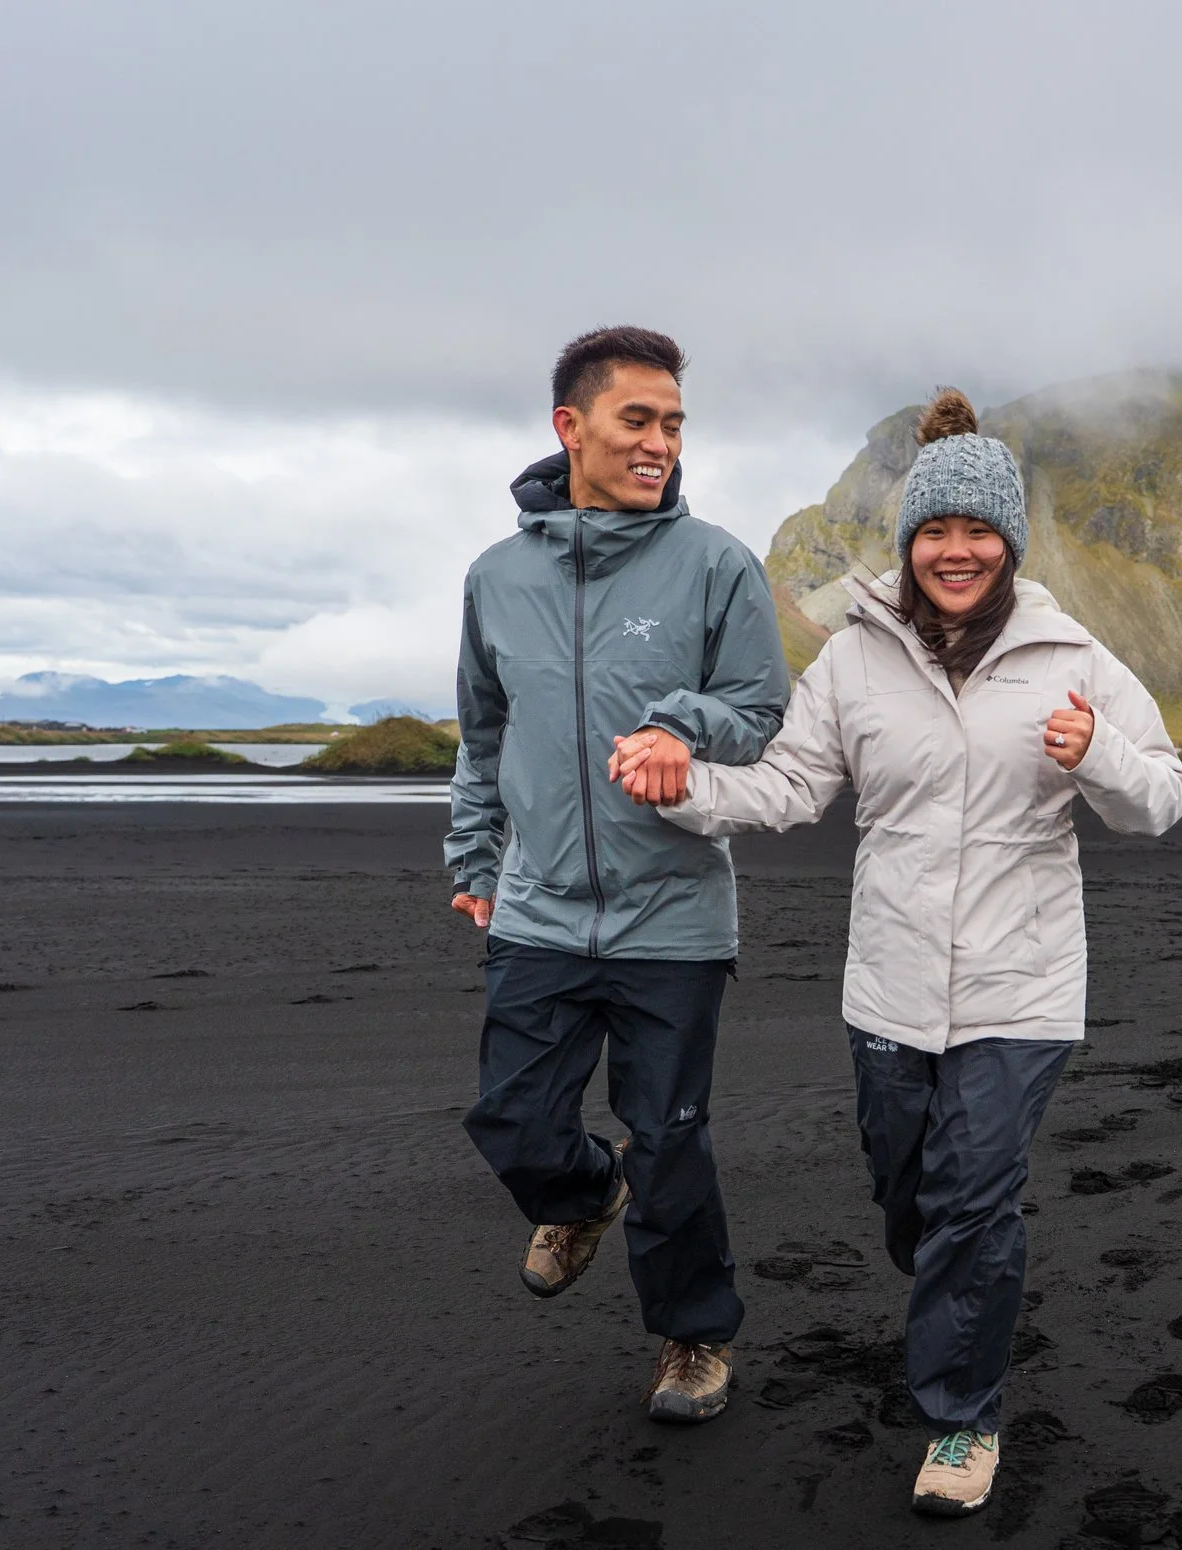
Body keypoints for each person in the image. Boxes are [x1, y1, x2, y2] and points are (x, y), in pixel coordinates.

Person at [627, 389, 1182, 1514]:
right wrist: (687, 787)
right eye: (936, 531)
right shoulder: (853, 657)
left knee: (975, 1200)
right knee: (910, 1198)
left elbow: (1161, 798)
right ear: (909, 542)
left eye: (978, 532)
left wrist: (1098, 755)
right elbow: (789, 786)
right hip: (886, 989)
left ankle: (959, 1418)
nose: (956, 550)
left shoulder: (1072, 654)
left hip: (1020, 990)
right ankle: (949, 1286)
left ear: (1009, 543)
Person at [446, 325, 790, 1423]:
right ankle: (585, 1192)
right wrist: (473, 855)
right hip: (540, 902)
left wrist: (680, 724)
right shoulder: (496, 577)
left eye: (674, 423)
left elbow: (759, 711)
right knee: (511, 1116)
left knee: (672, 1131)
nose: (658, 443)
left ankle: (692, 1339)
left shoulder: (717, 563)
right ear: (571, 427)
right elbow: (481, 728)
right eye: (636, 420)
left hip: (674, 914)